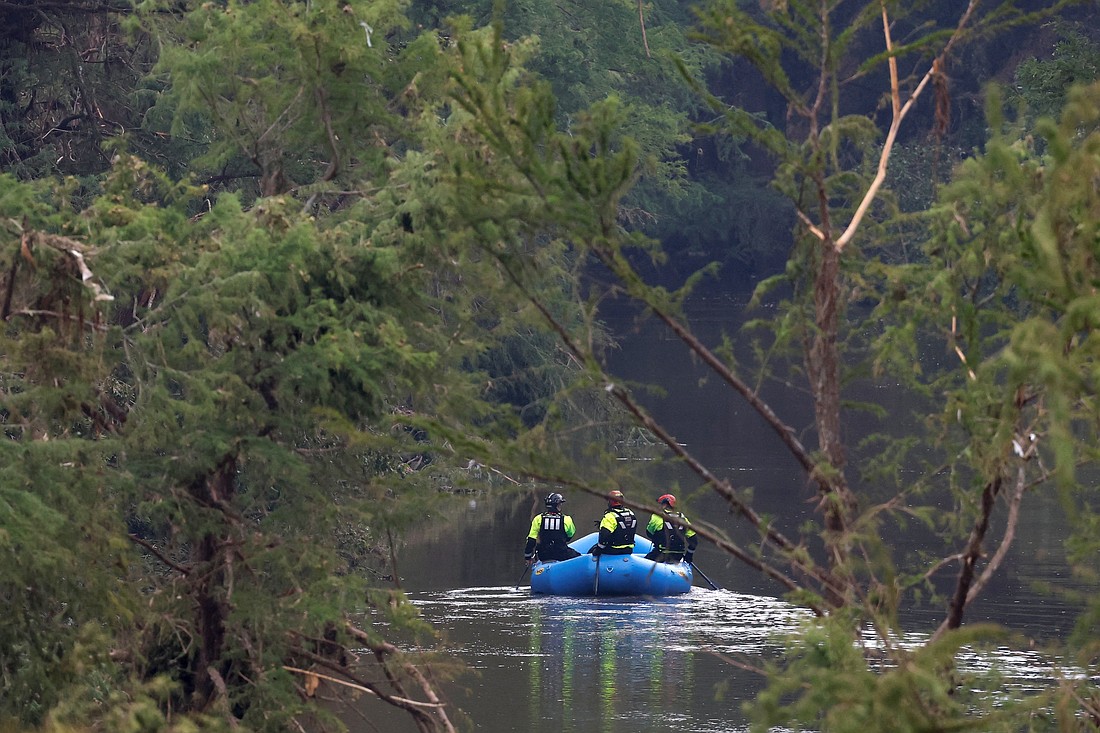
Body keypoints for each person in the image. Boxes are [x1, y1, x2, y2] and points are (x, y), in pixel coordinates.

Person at [524, 492, 581, 565]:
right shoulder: (566, 519)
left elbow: (531, 540)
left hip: (543, 555)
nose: (560, 506)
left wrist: (528, 557)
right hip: (561, 553)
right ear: (556, 506)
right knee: (578, 557)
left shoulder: (538, 519)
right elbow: (570, 535)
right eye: (559, 504)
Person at [644, 493, 698, 564]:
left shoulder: (658, 516)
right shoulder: (683, 518)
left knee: (644, 562)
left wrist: (658, 540)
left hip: (661, 554)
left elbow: (649, 533)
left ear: (665, 504)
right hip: (678, 556)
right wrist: (689, 555)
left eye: (660, 504)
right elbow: (694, 541)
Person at [588, 489, 638, 556]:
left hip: (613, 550)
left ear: (610, 501)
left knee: (591, 551)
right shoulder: (631, 513)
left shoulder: (610, 516)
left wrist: (598, 550)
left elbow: (604, 536)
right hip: (628, 550)